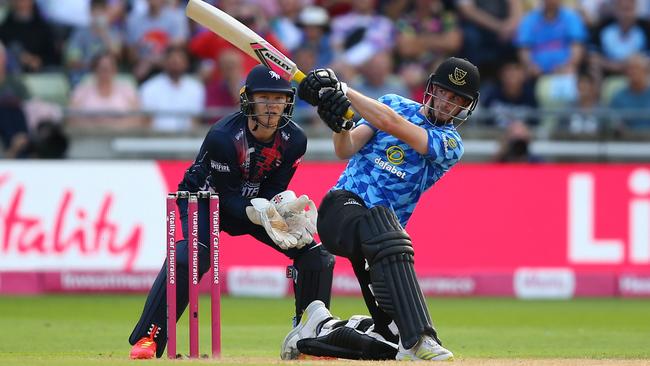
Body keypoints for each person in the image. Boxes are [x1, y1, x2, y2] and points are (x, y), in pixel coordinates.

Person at [128, 65, 335, 359]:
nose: (271, 105)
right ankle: (149, 337)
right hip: (203, 199)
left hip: (254, 205)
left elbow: (272, 188)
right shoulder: (224, 136)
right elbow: (225, 197)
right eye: (264, 97)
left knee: (316, 254)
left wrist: (277, 211)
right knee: (192, 255)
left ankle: (313, 340)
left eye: (278, 98)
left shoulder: (295, 140)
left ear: (288, 101)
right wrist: (260, 212)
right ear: (247, 99)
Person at [281, 57, 480, 361]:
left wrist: (342, 89)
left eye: (457, 100)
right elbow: (344, 149)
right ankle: (422, 339)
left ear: (465, 107)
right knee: (383, 223)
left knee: (386, 344)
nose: (447, 103)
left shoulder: (450, 143)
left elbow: (393, 124)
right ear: (432, 89)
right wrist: (341, 125)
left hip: (380, 245)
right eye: (445, 93)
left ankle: (315, 329)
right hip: (341, 209)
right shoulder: (392, 103)